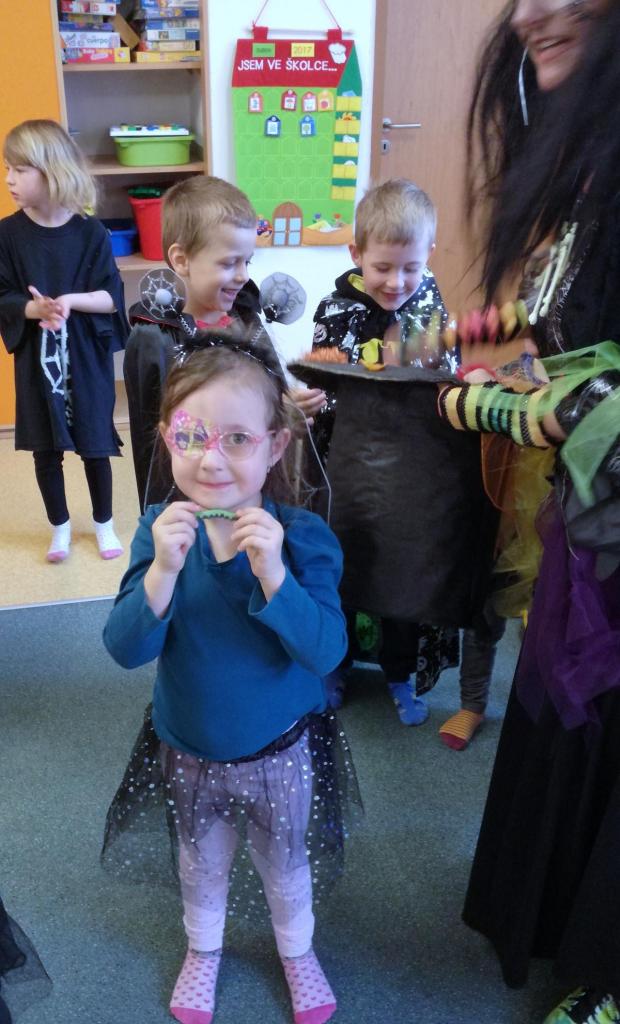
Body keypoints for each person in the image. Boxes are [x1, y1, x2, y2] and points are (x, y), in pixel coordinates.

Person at [437, 1, 620, 1020]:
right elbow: (575, 310)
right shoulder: (590, 155)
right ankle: (562, 927)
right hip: (595, 515)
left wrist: (492, 405)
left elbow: (595, 400)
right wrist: (493, 340)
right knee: (575, 707)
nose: (527, 13)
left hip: (604, 492)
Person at [102, 329, 360, 1024]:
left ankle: (297, 952)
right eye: (190, 437)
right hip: (187, 749)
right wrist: (161, 570)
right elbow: (124, 649)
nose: (210, 458)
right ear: (166, 438)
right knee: (200, 863)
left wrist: (275, 576)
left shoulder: (303, 538)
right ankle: (204, 949)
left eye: (237, 439)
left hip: (280, 752)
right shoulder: (158, 529)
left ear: (275, 446)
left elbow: (326, 652)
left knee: (285, 865)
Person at [301, 178, 503, 746]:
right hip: (349, 467)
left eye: (411, 267)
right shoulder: (336, 309)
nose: (396, 281)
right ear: (356, 253)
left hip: (414, 470)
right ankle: (335, 665)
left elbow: (443, 380)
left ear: (430, 254)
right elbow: (327, 382)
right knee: (343, 567)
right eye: (383, 267)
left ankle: (400, 674)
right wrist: (314, 400)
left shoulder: (432, 305)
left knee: (406, 576)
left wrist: (465, 387)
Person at [0, 119, 128, 563]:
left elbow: (111, 298)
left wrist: (69, 302)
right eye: (7, 168)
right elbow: (3, 296)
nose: (9, 179)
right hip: (36, 359)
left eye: (20, 169)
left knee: (95, 445)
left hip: (85, 359)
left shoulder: (91, 233)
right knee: (45, 448)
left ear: (52, 171)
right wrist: (34, 310)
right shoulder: (7, 235)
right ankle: (60, 528)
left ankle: (104, 524)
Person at [123, 175, 268, 512]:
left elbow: (265, 397)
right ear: (182, 260)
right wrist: (162, 515)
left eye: (247, 261)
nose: (243, 275)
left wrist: (288, 408)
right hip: (191, 499)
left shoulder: (247, 323)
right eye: (229, 262)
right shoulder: (156, 338)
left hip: (247, 490)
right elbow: (153, 445)